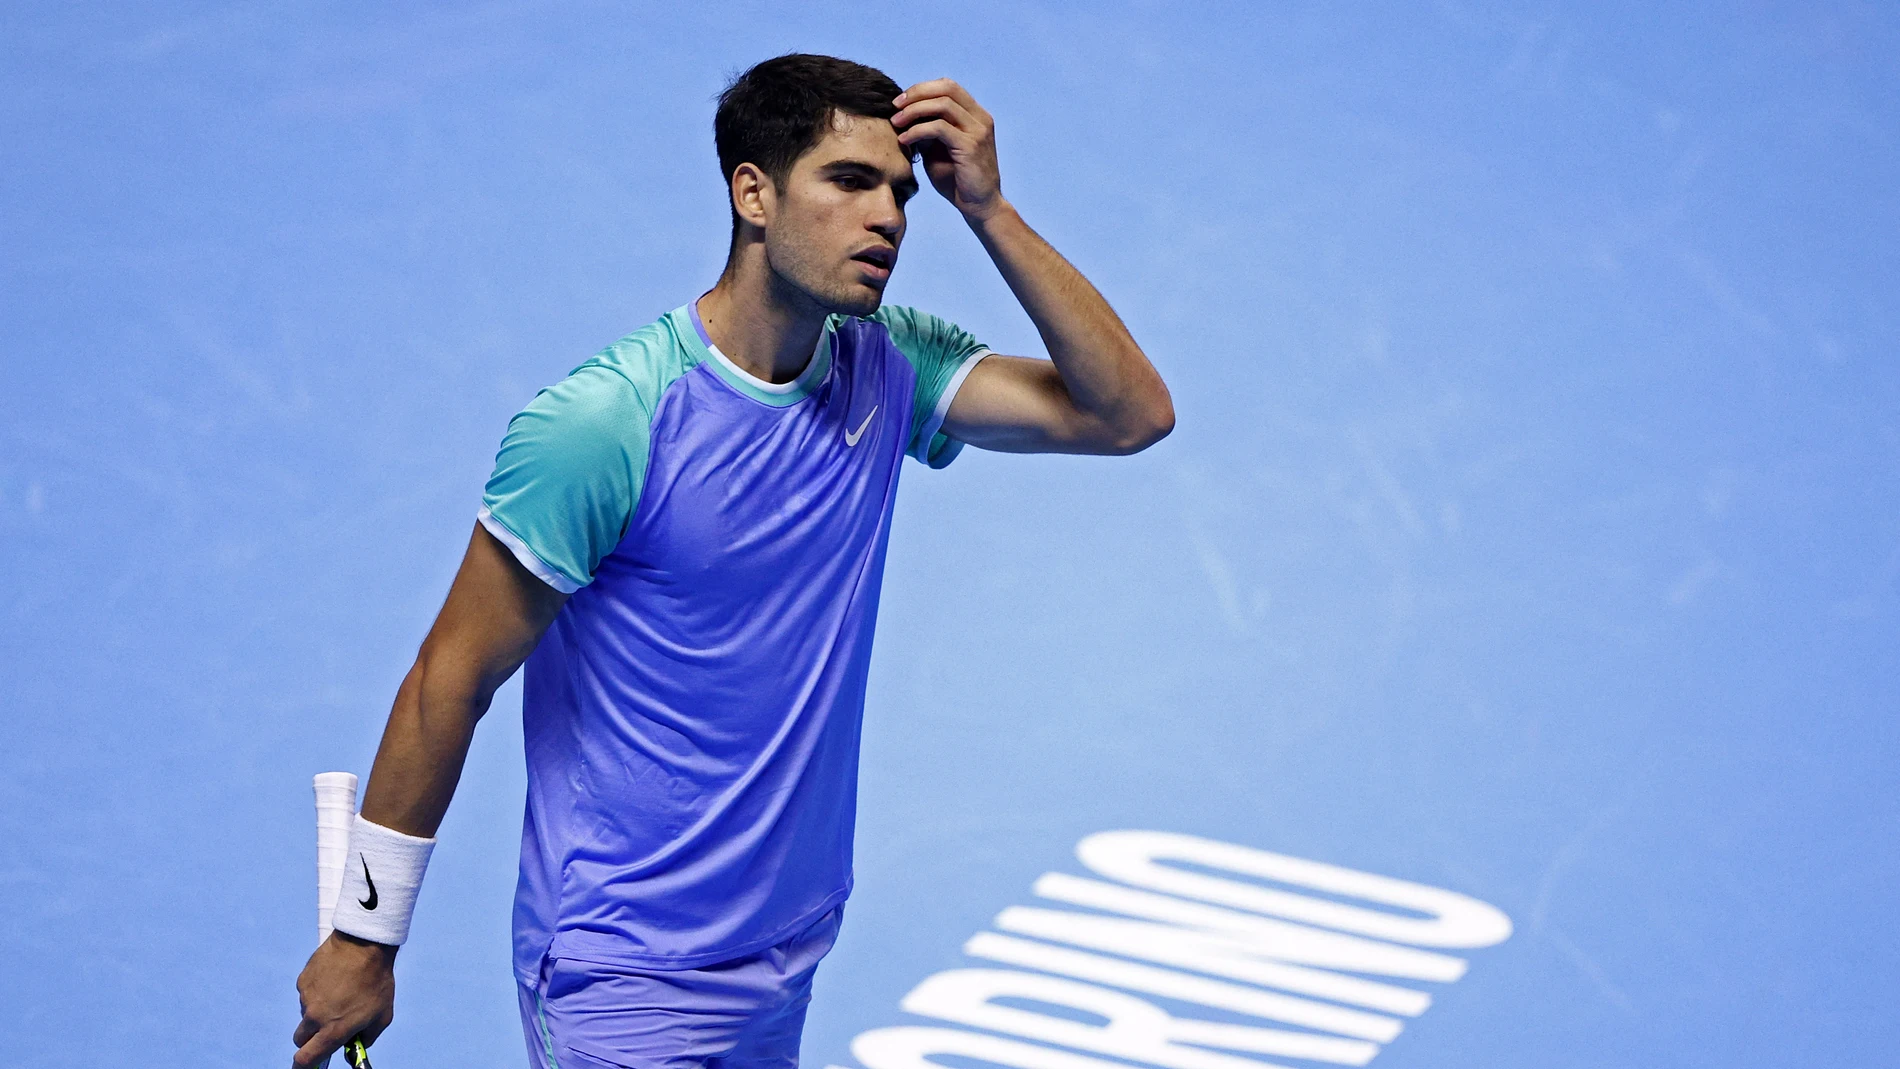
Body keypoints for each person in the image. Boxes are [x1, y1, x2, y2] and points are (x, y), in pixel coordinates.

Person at [292, 52, 1173, 1069]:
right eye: (847, 183)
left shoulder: (886, 363)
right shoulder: (607, 421)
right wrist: (367, 936)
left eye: (900, 193)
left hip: (786, 944)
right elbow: (448, 680)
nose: (886, 217)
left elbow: (1128, 413)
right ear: (752, 192)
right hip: (625, 969)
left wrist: (991, 212)